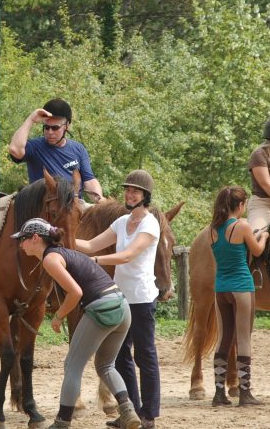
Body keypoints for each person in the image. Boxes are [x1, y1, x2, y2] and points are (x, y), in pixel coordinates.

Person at [12, 218, 141, 429]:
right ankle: (128, 412)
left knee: (72, 365)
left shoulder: (50, 259)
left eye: (23, 239)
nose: (21, 244)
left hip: (103, 308)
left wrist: (59, 316)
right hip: (122, 307)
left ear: (35, 238)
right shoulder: (66, 254)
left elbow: (75, 292)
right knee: (105, 365)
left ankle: (62, 422)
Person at [75, 170, 161, 429]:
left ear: (145, 196)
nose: (129, 194)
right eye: (127, 190)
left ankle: (149, 414)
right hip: (122, 298)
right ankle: (130, 413)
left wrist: (96, 261)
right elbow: (90, 245)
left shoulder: (150, 224)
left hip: (142, 299)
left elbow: (127, 256)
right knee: (121, 355)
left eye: (134, 191)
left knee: (145, 356)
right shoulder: (122, 222)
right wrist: (64, 237)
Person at [209, 186, 268, 407]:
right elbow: (258, 250)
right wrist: (264, 236)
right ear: (241, 206)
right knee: (243, 338)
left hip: (221, 288)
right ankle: (245, 393)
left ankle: (218, 393)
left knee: (223, 337)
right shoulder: (242, 226)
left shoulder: (212, 230)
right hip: (242, 286)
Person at [8, 98, 103, 202]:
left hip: (74, 206)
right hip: (44, 209)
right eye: (46, 127)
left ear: (67, 126)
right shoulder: (34, 147)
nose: (50, 132)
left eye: (55, 128)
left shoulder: (78, 149)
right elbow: (14, 150)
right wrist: (31, 119)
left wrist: (100, 199)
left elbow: (89, 180)